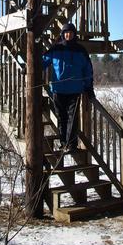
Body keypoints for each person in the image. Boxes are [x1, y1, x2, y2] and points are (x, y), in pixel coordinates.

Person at [42, 23, 95, 152]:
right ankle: (63, 142)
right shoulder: (56, 49)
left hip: (75, 90)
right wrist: (29, 67)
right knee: (61, 117)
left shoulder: (80, 50)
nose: (68, 35)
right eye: (66, 32)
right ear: (62, 34)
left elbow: (87, 70)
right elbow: (43, 61)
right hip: (58, 89)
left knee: (72, 117)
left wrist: (89, 88)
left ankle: (71, 144)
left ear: (74, 34)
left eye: (70, 32)